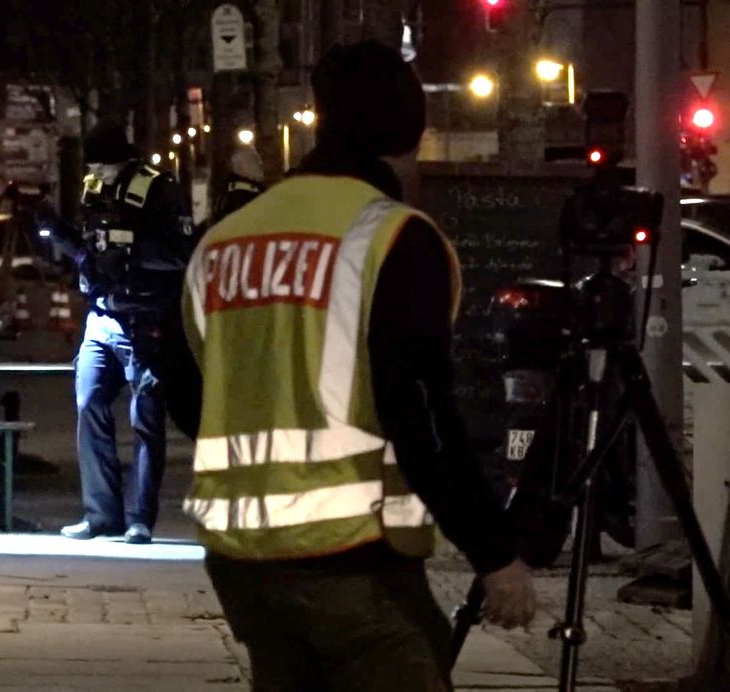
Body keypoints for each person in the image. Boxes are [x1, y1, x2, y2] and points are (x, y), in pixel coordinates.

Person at [170, 40, 536, 690]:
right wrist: (493, 551)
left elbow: (181, 384)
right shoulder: (391, 237)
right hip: (352, 562)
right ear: (407, 135)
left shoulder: (223, 241)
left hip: (241, 562)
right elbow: (421, 413)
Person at [38, 120, 192, 544]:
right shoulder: (94, 188)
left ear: (123, 160)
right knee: (88, 402)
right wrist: (57, 233)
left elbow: (181, 254)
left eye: (103, 166)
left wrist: (128, 254)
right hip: (101, 317)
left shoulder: (158, 189)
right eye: (93, 166)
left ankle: (140, 518)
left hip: (144, 319)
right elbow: (92, 251)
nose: (97, 175)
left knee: (145, 419)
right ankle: (101, 515)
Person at [212, 147, 265, 222]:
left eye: (259, 159)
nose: (260, 163)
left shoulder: (229, 195)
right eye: (254, 159)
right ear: (240, 166)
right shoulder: (241, 199)